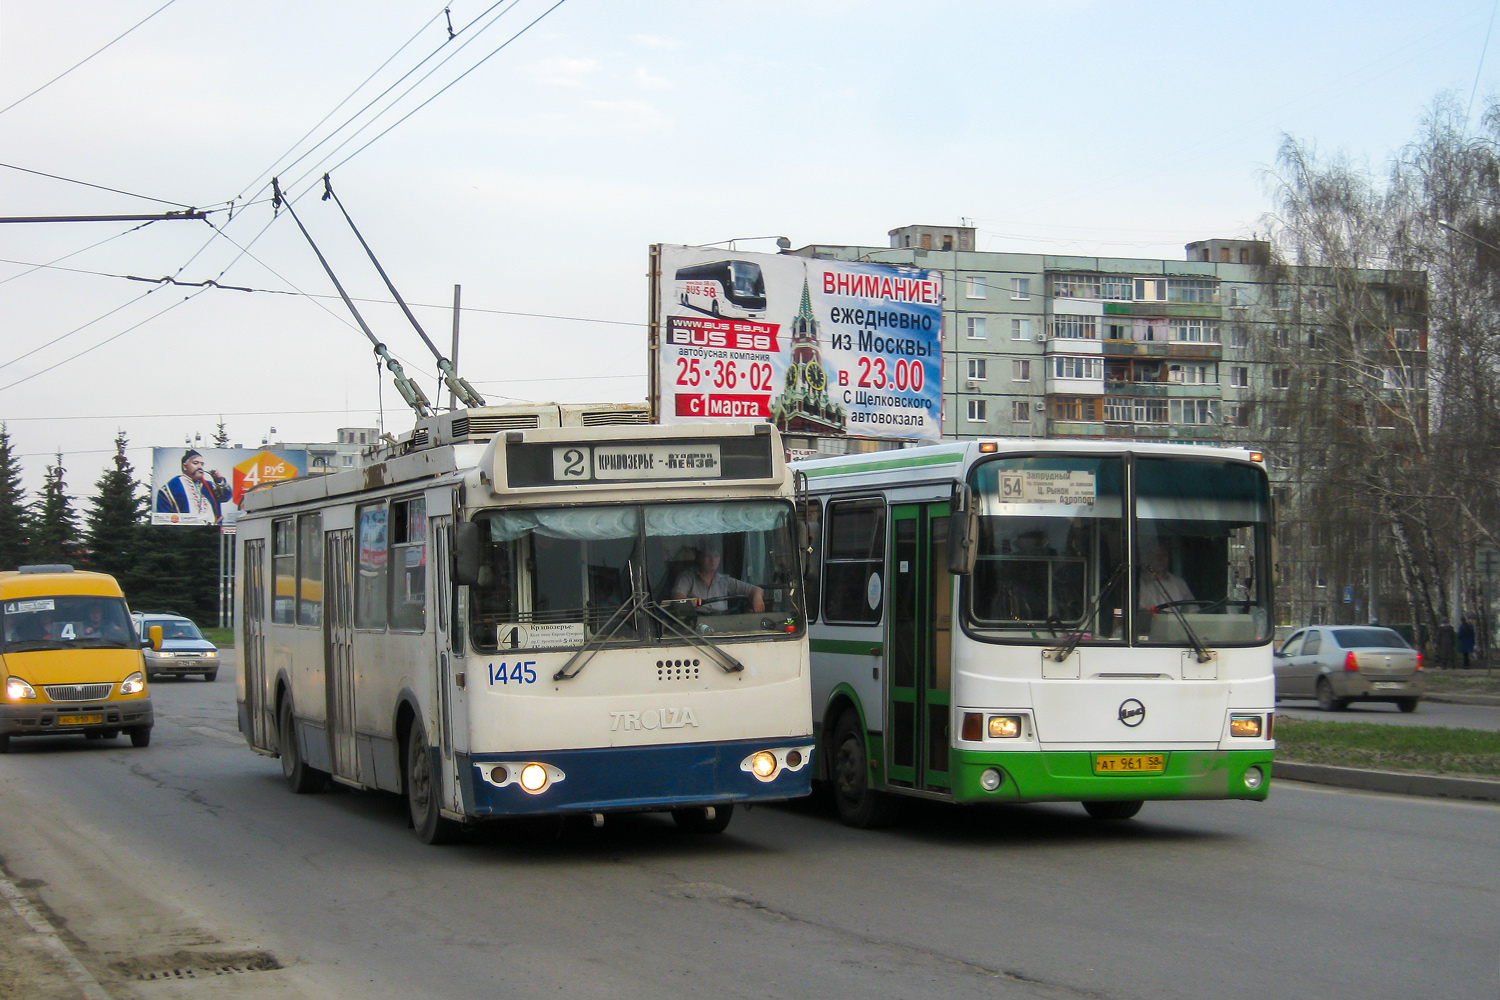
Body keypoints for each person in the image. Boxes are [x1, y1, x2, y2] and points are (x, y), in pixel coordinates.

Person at [671, 541, 765, 613]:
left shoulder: (725, 580)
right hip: (695, 627)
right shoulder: (688, 577)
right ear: (699, 558)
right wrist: (691, 602)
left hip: (722, 625)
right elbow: (677, 597)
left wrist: (757, 598)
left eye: (716, 556)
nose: (713, 560)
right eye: (708, 556)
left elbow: (756, 589)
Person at [155, 450, 230, 524]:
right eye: (195, 463)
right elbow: (164, 518)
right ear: (185, 467)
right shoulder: (170, 488)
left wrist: (219, 480)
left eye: (202, 464)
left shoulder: (209, 485)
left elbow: (226, 497)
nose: (200, 467)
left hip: (210, 530)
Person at [1138, 544, 1193, 611]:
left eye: (1164, 555)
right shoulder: (1138, 583)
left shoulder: (1179, 583)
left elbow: (1193, 611)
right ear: (1148, 558)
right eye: (1157, 555)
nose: (1161, 559)